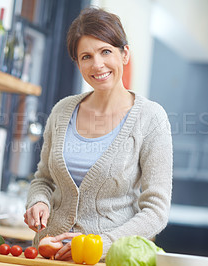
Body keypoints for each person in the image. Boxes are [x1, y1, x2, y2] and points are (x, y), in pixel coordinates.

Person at [24, 7, 173, 261]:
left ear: (124, 54)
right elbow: (43, 179)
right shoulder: (62, 111)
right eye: (86, 56)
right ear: (78, 63)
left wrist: (100, 244)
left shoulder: (151, 118)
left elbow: (156, 210)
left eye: (105, 51)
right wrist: (38, 202)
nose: (97, 64)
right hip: (48, 256)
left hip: (109, 260)